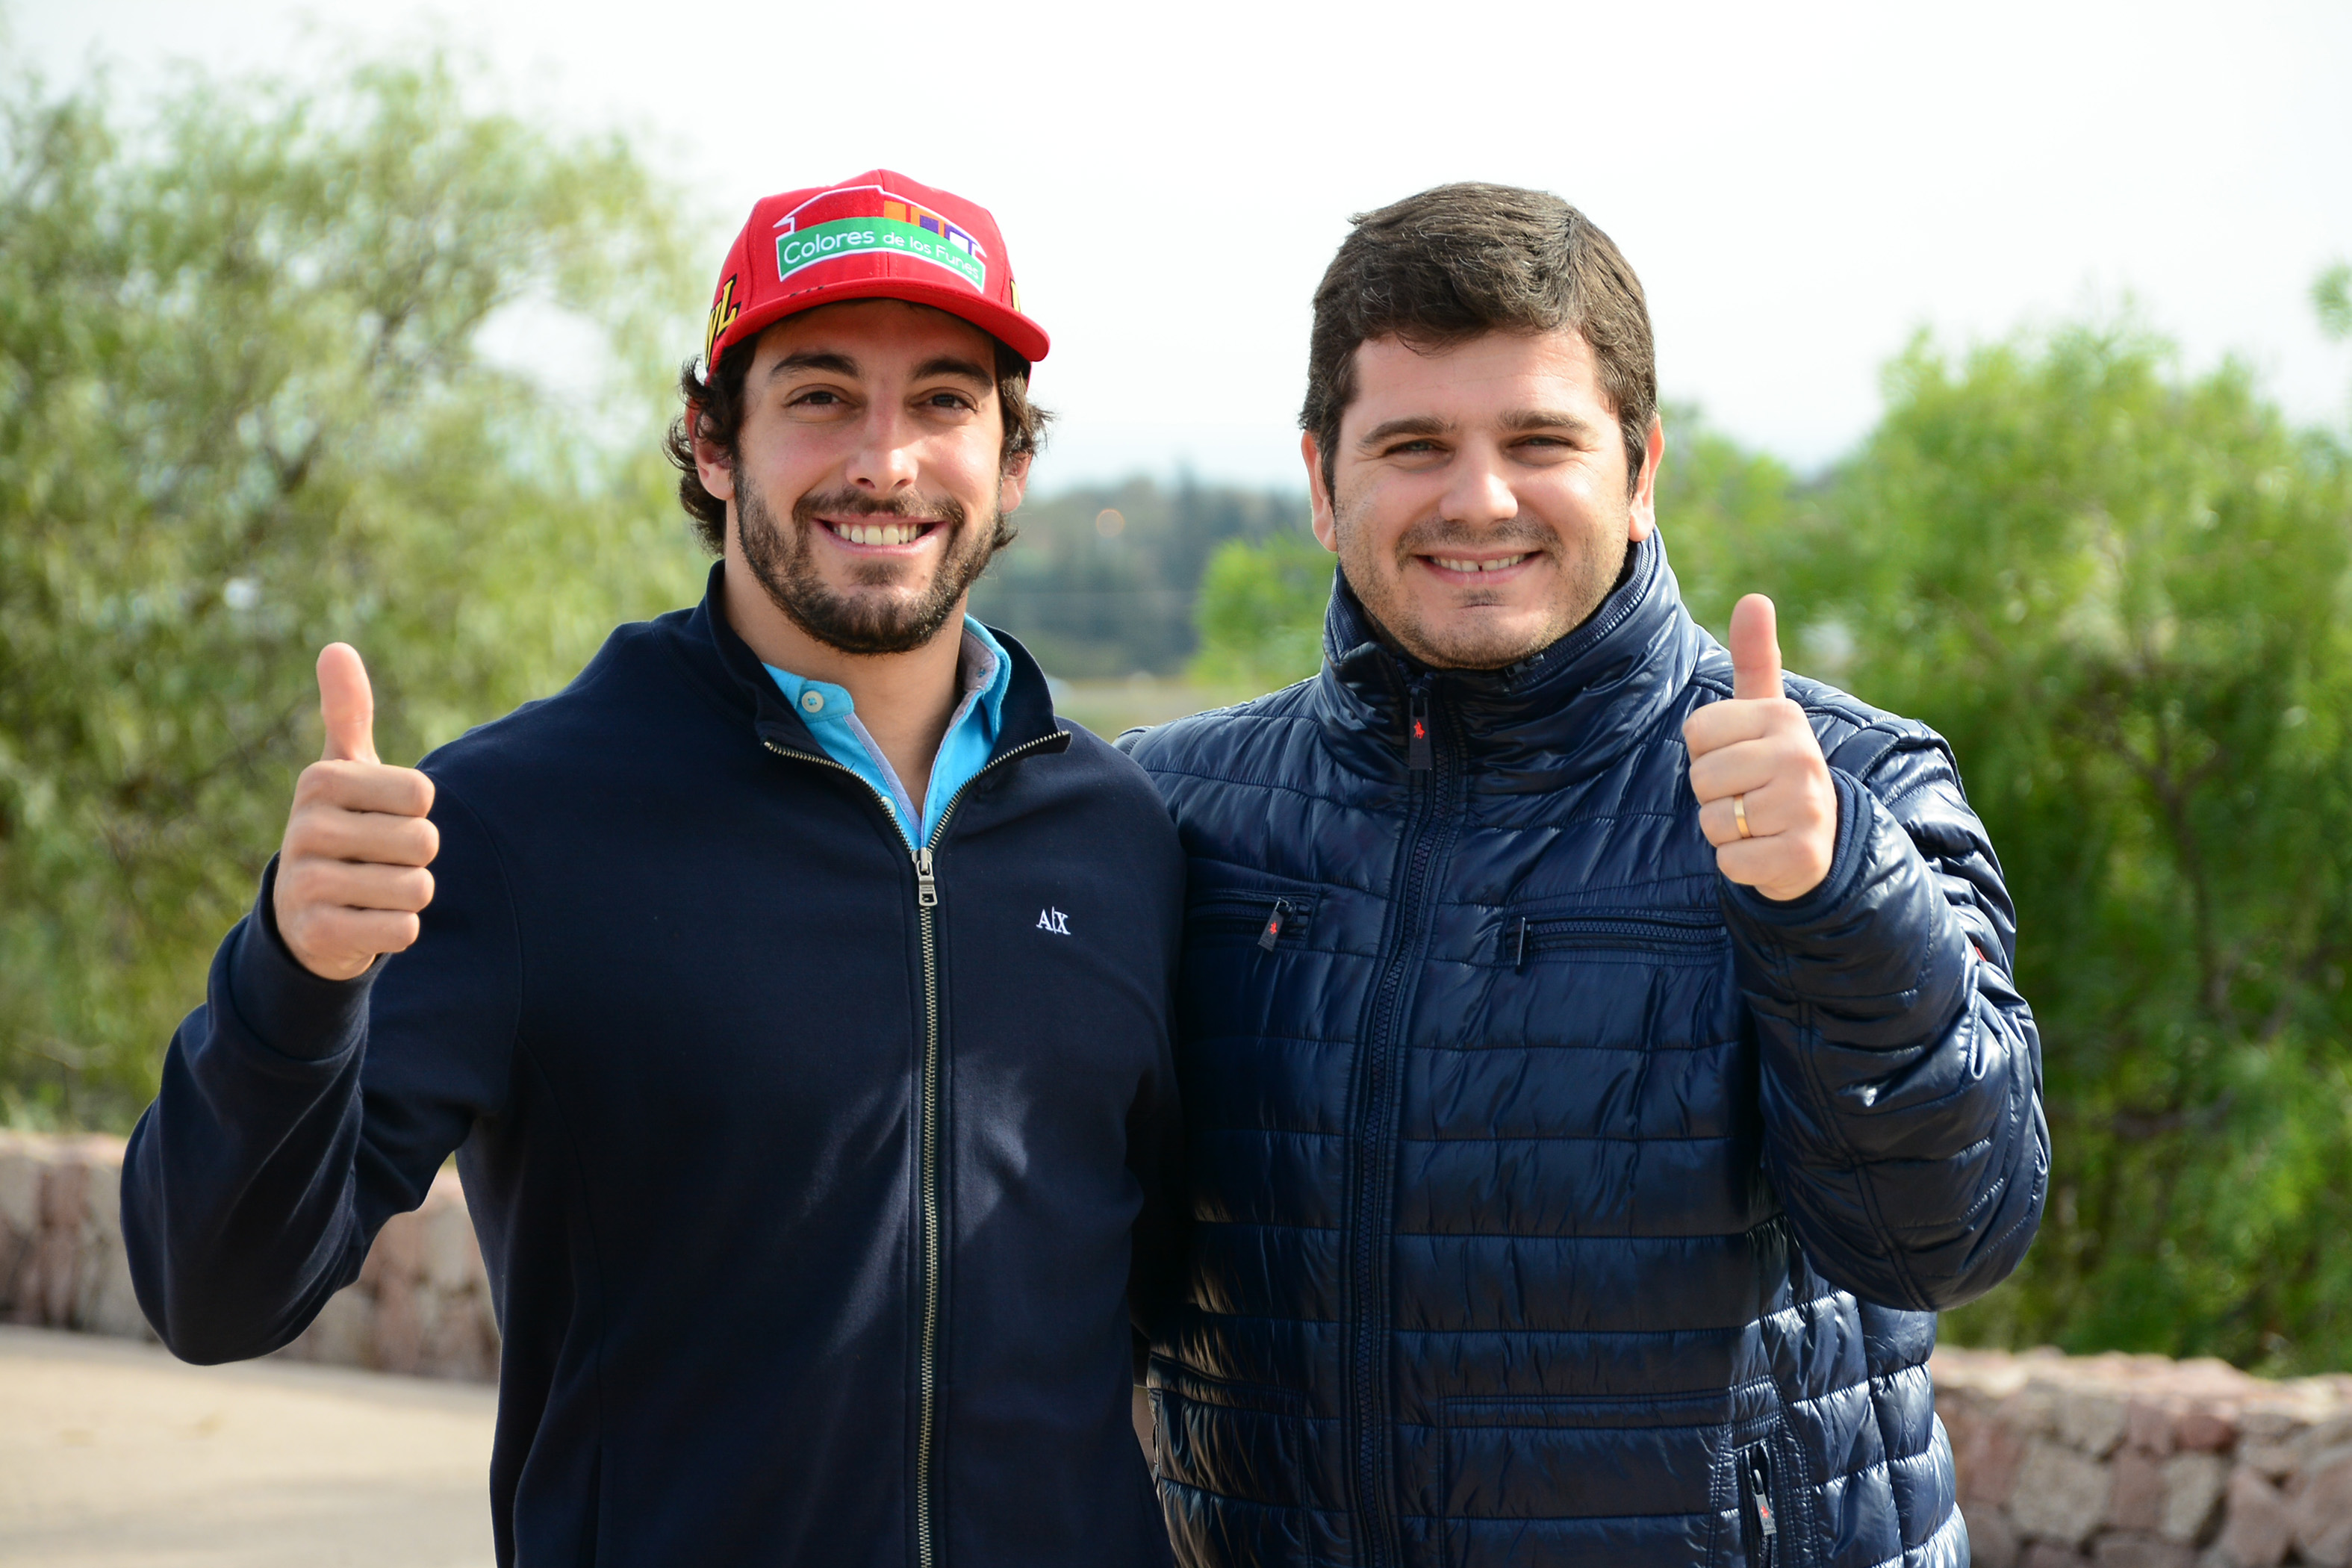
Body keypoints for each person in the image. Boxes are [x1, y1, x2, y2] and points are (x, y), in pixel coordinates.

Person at [121, 169, 1186, 1568]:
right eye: (817, 397)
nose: (885, 460)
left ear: (1011, 459)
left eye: (943, 400)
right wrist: (294, 971)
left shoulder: (1117, 832)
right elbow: (217, 1293)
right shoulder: (512, 823)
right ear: (712, 443)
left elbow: (1159, 1282)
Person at [1122, 184, 2046, 1568]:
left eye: (1539, 440)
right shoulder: (1171, 810)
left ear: (1640, 466)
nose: (1478, 497)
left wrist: (1837, 891)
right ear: (1322, 482)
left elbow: (1947, 1238)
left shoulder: (1842, 781)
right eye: (1414, 443)